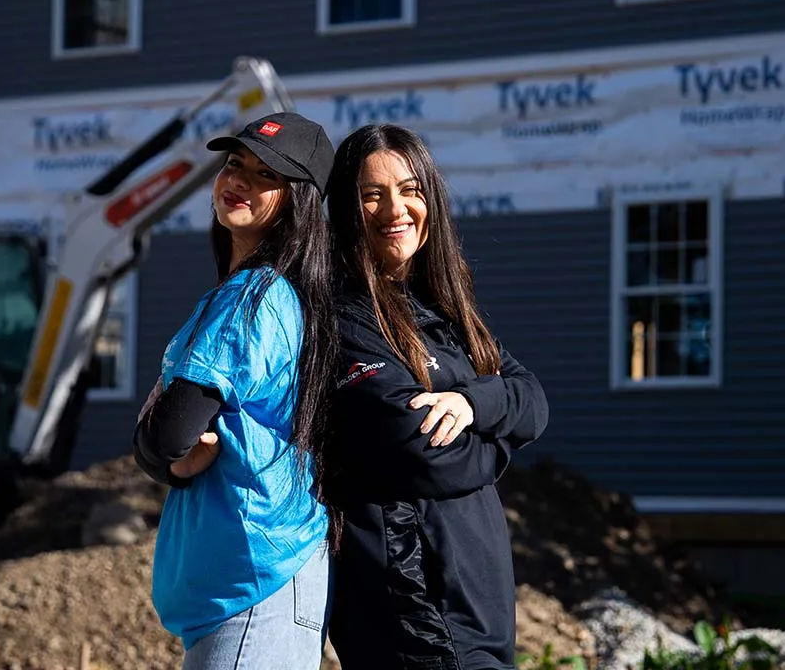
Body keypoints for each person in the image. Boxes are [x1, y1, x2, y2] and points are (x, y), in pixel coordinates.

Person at [322, 124, 550, 670]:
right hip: (414, 611)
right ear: (346, 211)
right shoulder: (344, 317)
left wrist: (472, 405)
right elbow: (422, 450)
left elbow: (533, 400)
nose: (394, 208)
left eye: (410, 189)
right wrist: (501, 443)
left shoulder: (445, 312)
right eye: (371, 194)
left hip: (477, 610)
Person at [132, 111, 338, 670]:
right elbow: (171, 444)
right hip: (252, 593)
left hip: (255, 593)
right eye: (233, 163)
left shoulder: (252, 297)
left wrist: (163, 451)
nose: (238, 179)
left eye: (265, 173)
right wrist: (169, 457)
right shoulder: (275, 295)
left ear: (300, 200)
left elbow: (167, 432)